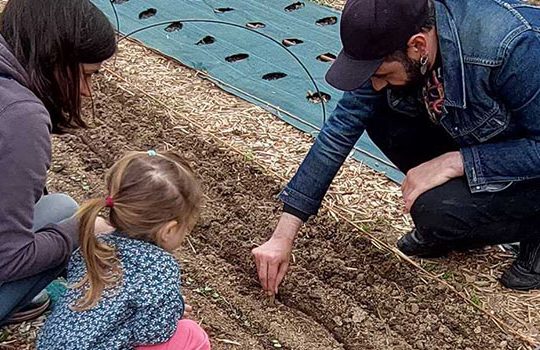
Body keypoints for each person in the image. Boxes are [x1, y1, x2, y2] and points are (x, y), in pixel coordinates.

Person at [253, 0, 540, 293]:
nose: (376, 84)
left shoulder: (508, 46)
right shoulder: (397, 34)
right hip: (483, 138)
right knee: (379, 111)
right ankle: (453, 225)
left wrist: (457, 161)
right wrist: (283, 235)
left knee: (437, 212)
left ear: (418, 46)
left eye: (382, 73)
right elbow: (340, 129)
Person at [0, 0, 116, 323]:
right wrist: (83, 232)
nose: (87, 92)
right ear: (55, 56)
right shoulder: (20, 117)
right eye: (87, 75)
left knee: (56, 207)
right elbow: (9, 259)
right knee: (66, 212)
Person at [38, 150, 210, 350]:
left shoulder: (93, 245)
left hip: (50, 345)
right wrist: (174, 308)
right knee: (192, 334)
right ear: (169, 230)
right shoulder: (161, 268)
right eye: (186, 228)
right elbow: (151, 332)